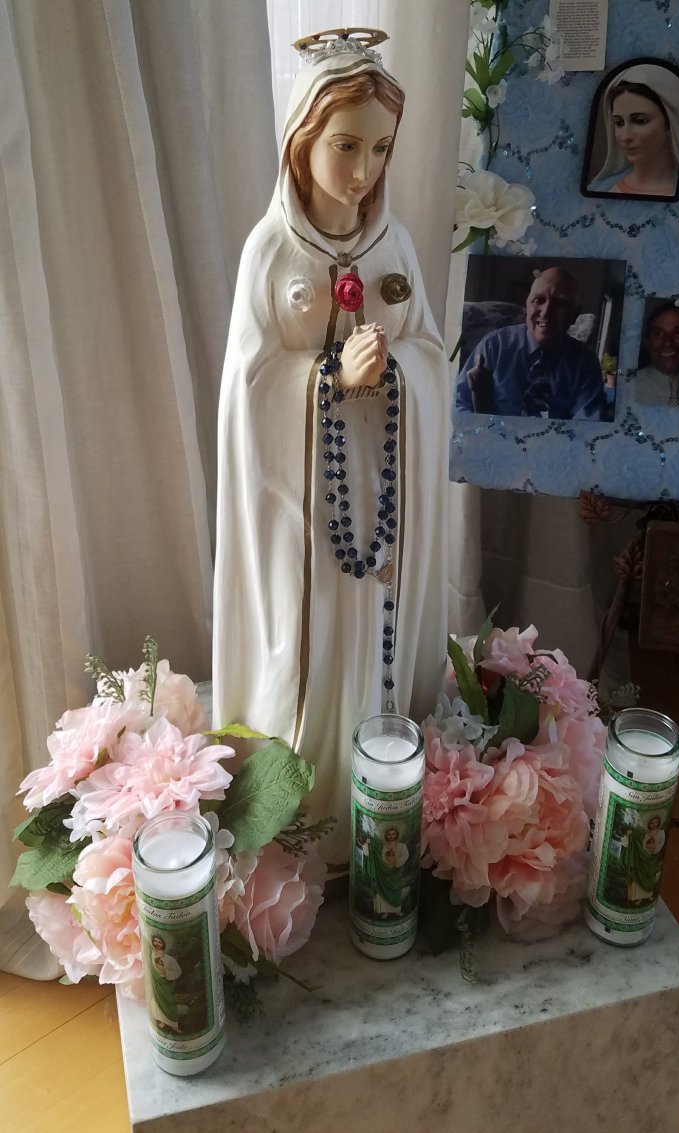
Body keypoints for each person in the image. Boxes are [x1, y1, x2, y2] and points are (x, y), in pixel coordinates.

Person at [212, 31, 448, 867]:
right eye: (345, 146)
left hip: (380, 489)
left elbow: (430, 353)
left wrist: (397, 370)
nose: (362, 171)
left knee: (374, 627)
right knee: (307, 634)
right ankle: (301, 809)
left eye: (379, 149)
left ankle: (380, 791)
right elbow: (246, 386)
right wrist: (326, 377)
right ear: (301, 139)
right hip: (301, 505)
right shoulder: (271, 250)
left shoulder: (396, 244)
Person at [454, 267, 607, 419]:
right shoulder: (494, 345)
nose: (546, 312)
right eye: (538, 300)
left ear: (574, 313)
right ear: (527, 305)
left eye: (559, 303)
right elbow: (458, 404)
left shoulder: (585, 363)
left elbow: (589, 423)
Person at [587, 63, 679, 197]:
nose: (625, 137)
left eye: (640, 121)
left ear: (669, 123)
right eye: (619, 123)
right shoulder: (602, 189)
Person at [635, 303, 679, 408]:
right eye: (658, 333)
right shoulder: (627, 387)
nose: (667, 343)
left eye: (678, 333)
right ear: (647, 341)